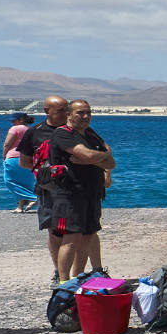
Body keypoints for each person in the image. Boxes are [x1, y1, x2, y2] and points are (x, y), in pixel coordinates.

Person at [41, 101, 116, 280]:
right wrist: (97, 158)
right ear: (68, 114)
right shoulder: (63, 134)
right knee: (71, 238)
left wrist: (97, 159)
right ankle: (64, 282)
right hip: (70, 194)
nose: (85, 116)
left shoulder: (90, 134)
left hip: (92, 192)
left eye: (88, 113)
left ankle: (79, 277)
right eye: (80, 113)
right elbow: (88, 155)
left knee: (88, 235)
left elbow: (110, 161)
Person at [17, 95, 71, 280]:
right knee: (54, 230)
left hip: (74, 189)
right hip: (48, 190)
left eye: (67, 110)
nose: (66, 114)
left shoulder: (75, 131)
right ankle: (59, 271)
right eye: (60, 111)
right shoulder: (35, 132)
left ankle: (78, 272)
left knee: (77, 231)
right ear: (47, 111)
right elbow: (24, 161)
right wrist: (46, 170)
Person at [1, 112, 35, 212]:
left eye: (13, 121)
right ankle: (20, 207)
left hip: (13, 157)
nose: (12, 123)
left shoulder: (15, 129)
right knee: (24, 182)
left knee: (10, 181)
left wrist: (4, 155)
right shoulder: (31, 130)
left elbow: (7, 144)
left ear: (20, 120)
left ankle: (34, 197)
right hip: (28, 158)